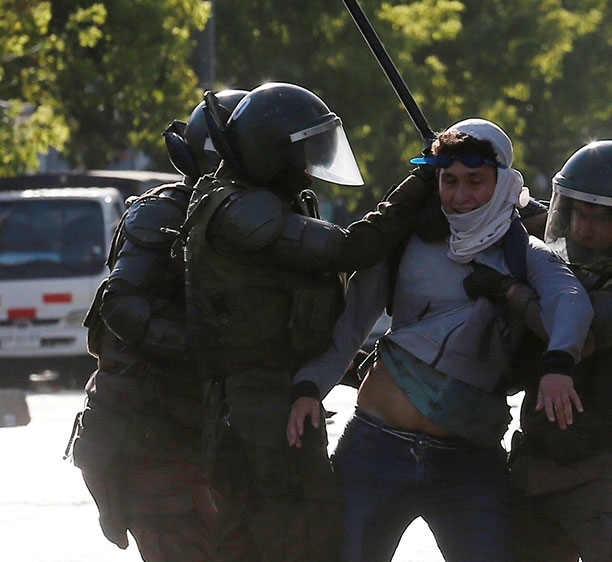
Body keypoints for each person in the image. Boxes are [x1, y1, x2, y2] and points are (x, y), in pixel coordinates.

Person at [286, 118, 594, 562]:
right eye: (449, 180)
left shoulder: (522, 252)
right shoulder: (404, 242)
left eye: (476, 181)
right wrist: (309, 388)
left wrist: (558, 367)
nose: (461, 195)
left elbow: (570, 300)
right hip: (374, 451)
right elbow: (350, 325)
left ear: (503, 182)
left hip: (468, 461)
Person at [182, 82, 437, 562]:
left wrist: (353, 364)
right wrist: (421, 180)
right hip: (261, 401)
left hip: (268, 392)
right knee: (301, 529)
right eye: (300, 156)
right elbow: (349, 249)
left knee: (253, 536)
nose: (308, 169)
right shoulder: (241, 208)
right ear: (267, 153)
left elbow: (288, 313)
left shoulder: (259, 198)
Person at [468, 140, 612, 562]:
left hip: (602, 472)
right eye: (580, 212)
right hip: (531, 468)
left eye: (604, 217)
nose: (586, 227)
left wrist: (513, 293)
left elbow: (580, 332)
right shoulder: (557, 260)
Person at [63, 89, 249, 561]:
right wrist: (222, 351)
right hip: (154, 432)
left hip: (216, 433)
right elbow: (123, 305)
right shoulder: (167, 213)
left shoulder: (251, 220)